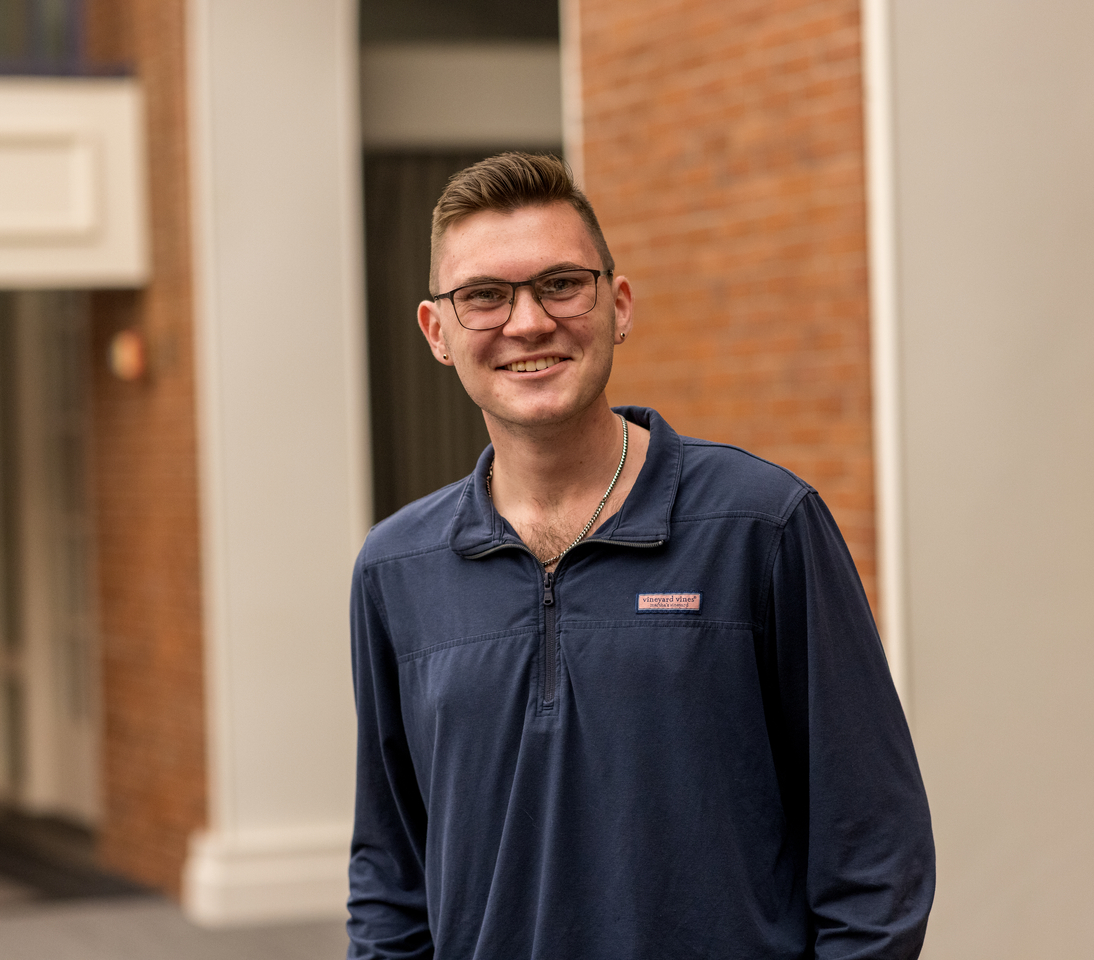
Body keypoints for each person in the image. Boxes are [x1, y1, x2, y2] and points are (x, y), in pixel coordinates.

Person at [347, 152, 934, 959]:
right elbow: (390, 870)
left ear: (617, 305)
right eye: (484, 296)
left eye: (560, 284)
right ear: (438, 332)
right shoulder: (395, 569)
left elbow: (875, 843)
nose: (527, 323)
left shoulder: (760, 526)